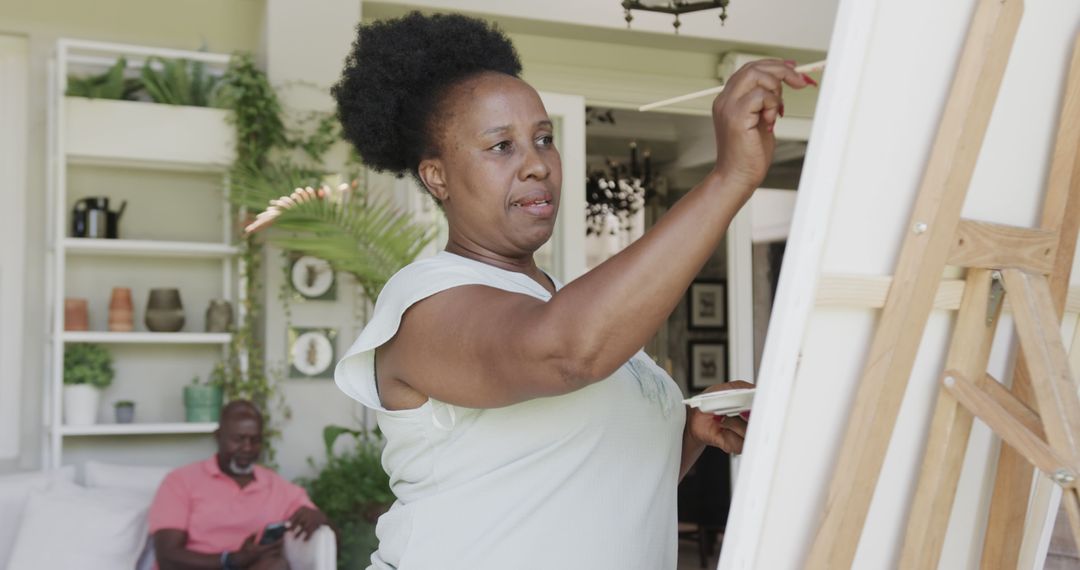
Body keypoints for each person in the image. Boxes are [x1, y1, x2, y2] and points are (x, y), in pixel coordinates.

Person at [333, 11, 813, 570]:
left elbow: (592, 476)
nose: (537, 164)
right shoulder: (425, 303)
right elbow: (567, 353)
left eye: (543, 139)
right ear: (436, 176)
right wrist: (728, 178)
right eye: (501, 147)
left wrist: (690, 431)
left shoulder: (558, 302)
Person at [148, 400, 329, 570]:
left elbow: (330, 538)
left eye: (255, 440)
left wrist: (320, 519)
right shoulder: (180, 482)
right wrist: (232, 560)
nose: (247, 448)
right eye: (238, 439)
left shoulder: (279, 488)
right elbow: (168, 557)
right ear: (218, 437)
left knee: (275, 565)